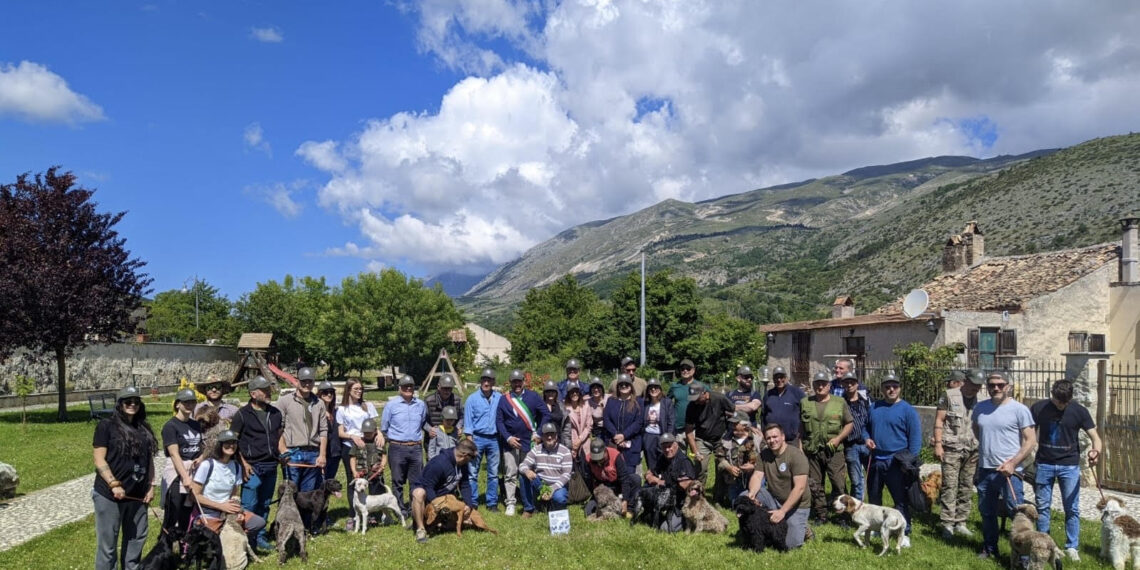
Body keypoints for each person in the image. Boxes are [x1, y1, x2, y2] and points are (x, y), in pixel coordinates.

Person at [1031, 378, 1102, 561]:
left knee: (1072, 508)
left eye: (1065, 402)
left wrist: (1096, 451)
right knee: (1043, 508)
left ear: (1070, 399)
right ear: (1052, 395)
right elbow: (1028, 434)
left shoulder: (1079, 411)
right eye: (1058, 401)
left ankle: (1072, 547)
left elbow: (1096, 437)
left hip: (1069, 466)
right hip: (1044, 464)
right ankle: (1044, 545)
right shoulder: (1039, 408)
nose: (1061, 405)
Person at [972, 371, 1037, 560]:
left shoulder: (1020, 410)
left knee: (1017, 513)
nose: (996, 388)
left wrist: (1013, 463)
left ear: (1008, 386)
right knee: (987, 512)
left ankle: (1024, 555)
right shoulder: (980, 408)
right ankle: (990, 548)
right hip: (985, 470)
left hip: (1011, 472)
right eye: (992, 385)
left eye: (1000, 385)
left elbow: (1030, 440)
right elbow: (977, 429)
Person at [92, 386, 157, 570]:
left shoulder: (143, 427)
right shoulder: (106, 426)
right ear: (120, 404)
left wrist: (151, 485)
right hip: (110, 495)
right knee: (108, 546)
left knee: (136, 540)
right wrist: (113, 484)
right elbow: (98, 458)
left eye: (136, 401)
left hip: (137, 495)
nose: (132, 405)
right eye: (128, 401)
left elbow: (149, 459)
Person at [866, 373, 921, 548]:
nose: (891, 389)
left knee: (900, 499)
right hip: (876, 459)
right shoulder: (874, 407)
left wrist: (909, 463)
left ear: (899, 388)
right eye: (887, 386)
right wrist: (867, 439)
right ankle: (876, 526)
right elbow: (864, 429)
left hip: (896, 461)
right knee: (874, 497)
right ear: (882, 388)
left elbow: (915, 441)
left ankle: (904, 531)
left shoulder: (907, 410)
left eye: (894, 386)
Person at [230, 375, 284, 551]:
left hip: (271, 464)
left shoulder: (275, 413)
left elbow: (279, 436)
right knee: (249, 504)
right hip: (252, 466)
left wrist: (283, 453)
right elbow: (233, 442)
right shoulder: (242, 415)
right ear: (253, 394)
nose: (269, 393)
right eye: (265, 390)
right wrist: (243, 464)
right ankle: (244, 538)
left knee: (266, 502)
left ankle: (260, 537)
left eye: (269, 389)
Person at [190, 429, 266, 546]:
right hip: (209, 513)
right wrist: (220, 506)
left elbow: (234, 494)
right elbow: (195, 495)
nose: (231, 446)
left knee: (258, 522)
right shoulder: (207, 465)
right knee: (211, 541)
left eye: (234, 443)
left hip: (228, 512)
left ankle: (234, 542)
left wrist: (237, 511)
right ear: (219, 445)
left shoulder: (236, 466)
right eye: (227, 443)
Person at [932, 370, 981, 538]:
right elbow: (939, 420)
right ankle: (947, 523)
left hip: (972, 449)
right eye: (973, 384)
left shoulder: (981, 400)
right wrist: (938, 445)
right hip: (951, 448)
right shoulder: (949, 395)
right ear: (965, 381)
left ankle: (961, 521)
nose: (975, 388)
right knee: (950, 486)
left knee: (966, 486)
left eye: (978, 386)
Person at [746, 423, 810, 550]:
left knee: (790, 544)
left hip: (797, 504)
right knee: (744, 497)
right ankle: (757, 531)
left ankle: (806, 530)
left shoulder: (796, 455)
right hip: (774, 499)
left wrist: (782, 511)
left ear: (783, 437)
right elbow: (757, 476)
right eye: (768, 438)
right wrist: (752, 493)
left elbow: (800, 488)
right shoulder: (764, 454)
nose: (772, 440)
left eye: (775, 437)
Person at [800, 371, 853, 524]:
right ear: (813, 385)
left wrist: (838, 439)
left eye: (824, 383)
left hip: (834, 451)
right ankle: (821, 515)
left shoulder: (840, 402)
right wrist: (800, 447)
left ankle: (843, 515)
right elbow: (801, 427)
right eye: (817, 383)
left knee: (838, 483)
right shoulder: (805, 402)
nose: (820, 386)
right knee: (815, 484)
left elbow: (849, 423)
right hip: (812, 450)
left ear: (829, 386)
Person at [275, 367, 328, 499]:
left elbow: (323, 431)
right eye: (304, 381)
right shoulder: (285, 401)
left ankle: (305, 520)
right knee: (290, 492)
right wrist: (283, 450)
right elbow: (277, 428)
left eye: (310, 381)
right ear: (297, 381)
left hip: (313, 453)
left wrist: (322, 454)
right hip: (293, 452)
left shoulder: (319, 403)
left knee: (307, 495)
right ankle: (288, 519)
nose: (307, 384)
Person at [381, 374, 430, 518]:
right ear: (399, 388)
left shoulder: (421, 405)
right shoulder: (391, 405)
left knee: (415, 480)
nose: (408, 389)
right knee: (397, 480)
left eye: (411, 386)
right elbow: (384, 427)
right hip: (397, 447)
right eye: (405, 386)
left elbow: (423, 423)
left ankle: (413, 508)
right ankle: (399, 508)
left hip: (415, 447)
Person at [496, 369, 543, 516]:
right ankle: (510, 502)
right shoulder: (504, 399)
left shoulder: (533, 396)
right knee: (510, 473)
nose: (517, 384)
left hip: (528, 442)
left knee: (527, 473)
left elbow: (545, 415)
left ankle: (529, 500)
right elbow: (499, 421)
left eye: (519, 381)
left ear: (524, 382)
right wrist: (508, 437)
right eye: (514, 382)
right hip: (510, 443)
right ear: (510, 383)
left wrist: (539, 432)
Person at [412, 439, 478, 543]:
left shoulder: (463, 464)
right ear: (464, 455)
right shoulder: (439, 463)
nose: (472, 460)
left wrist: (468, 505)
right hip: (430, 499)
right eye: (472, 457)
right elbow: (428, 487)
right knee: (419, 493)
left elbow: (464, 485)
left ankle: (441, 523)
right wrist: (438, 506)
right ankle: (420, 528)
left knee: (469, 522)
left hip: (446, 499)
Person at [160, 388, 203, 535]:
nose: (189, 405)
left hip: (194, 469)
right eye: (185, 402)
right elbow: (174, 454)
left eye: (192, 402)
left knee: (187, 512)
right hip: (177, 473)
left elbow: (201, 446)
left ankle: (183, 547)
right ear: (177, 404)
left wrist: (202, 458)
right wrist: (185, 477)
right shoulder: (170, 426)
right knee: (173, 514)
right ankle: (165, 548)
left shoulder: (195, 424)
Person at [463, 367, 503, 511]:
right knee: (473, 472)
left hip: (494, 439)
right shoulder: (472, 399)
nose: (486, 382)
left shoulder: (499, 398)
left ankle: (491, 502)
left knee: (493, 473)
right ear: (480, 381)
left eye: (489, 380)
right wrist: (470, 441)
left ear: (493, 382)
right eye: (484, 380)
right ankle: (472, 501)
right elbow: (468, 422)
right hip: (477, 438)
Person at [685, 381, 735, 487]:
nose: (696, 402)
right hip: (702, 439)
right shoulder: (691, 406)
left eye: (698, 398)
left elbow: (734, 412)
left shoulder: (719, 398)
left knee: (721, 467)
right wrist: (695, 451)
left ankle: (718, 498)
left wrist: (731, 432)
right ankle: (698, 496)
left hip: (720, 438)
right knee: (700, 469)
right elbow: (689, 431)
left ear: (704, 393)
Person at [644, 433, 696, 532]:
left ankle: (687, 521)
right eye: (664, 447)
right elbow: (649, 473)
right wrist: (650, 476)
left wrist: (659, 481)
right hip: (666, 497)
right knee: (646, 491)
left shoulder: (683, 461)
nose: (667, 450)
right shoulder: (663, 458)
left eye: (669, 446)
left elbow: (686, 485)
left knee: (665, 528)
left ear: (676, 445)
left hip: (681, 503)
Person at [519, 422, 574, 516]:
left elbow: (566, 475)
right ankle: (528, 509)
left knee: (559, 499)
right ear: (542, 437)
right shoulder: (536, 449)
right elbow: (522, 465)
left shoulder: (565, 451)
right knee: (523, 477)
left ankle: (550, 506)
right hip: (540, 484)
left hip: (557, 486)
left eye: (552, 434)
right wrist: (527, 471)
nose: (549, 437)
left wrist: (552, 489)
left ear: (556, 436)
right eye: (546, 435)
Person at [337, 378, 383, 490]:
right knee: (354, 479)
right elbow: (340, 432)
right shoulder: (342, 409)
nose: (359, 391)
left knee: (374, 476)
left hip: (369, 445)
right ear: (348, 390)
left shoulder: (367, 406)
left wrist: (380, 434)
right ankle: (355, 507)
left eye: (361, 389)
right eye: (356, 389)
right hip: (351, 446)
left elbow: (374, 425)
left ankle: (376, 505)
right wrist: (352, 436)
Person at [581, 438, 639, 518]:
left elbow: (624, 479)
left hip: (617, 485)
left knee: (635, 479)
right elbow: (588, 480)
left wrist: (625, 500)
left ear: (605, 451)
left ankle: (629, 509)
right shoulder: (588, 460)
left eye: (600, 457)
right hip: (601, 489)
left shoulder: (616, 455)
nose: (599, 460)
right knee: (588, 512)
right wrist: (595, 495)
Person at [714, 413, 759, 507]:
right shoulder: (725, 437)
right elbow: (719, 457)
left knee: (753, 504)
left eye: (735, 423)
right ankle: (722, 496)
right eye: (731, 423)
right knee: (736, 505)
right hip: (733, 478)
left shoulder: (757, 437)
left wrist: (753, 466)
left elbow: (766, 459)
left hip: (754, 476)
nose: (732, 426)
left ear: (745, 425)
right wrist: (729, 468)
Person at [840, 371, 871, 501]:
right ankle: (856, 508)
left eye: (852, 382)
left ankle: (871, 505)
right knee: (856, 480)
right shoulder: (840, 403)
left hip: (866, 444)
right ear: (843, 385)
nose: (849, 385)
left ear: (857, 384)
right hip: (851, 446)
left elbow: (871, 421)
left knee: (871, 478)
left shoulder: (866, 401)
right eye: (846, 383)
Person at [604, 374, 644, 471]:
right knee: (613, 473)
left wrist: (624, 435)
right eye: (621, 385)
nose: (624, 386)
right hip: (614, 443)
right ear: (617, 387)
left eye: (627, 384)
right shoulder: (611, 401)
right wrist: (616, 434)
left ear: (631, 386)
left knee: (629, 476)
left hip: (631, 445)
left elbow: (638, 422)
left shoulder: (638, 401)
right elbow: (606, 419)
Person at [760, 366, 805, 444]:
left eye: (781, 377)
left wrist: (801, 433)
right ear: (773, 379)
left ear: (786, 378)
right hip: (773, 441)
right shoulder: (768, 395)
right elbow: (763, 416)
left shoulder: (796, 392)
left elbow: (805, 412)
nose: (779, 380)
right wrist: (764, 432)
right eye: (776, 377)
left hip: (792, 440)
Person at [639, 378, 674, 471]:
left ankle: (664, 481)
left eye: (656, 387)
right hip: (648, 436)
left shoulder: (667, 402)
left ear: (660, 389)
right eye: (651, 388)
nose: (653, 389)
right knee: (651, 463)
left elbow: (671, 422)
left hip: (662, 435)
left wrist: (669, 438)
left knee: (665, 460)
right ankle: (653, 481)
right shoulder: (644, 403)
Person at [348, 419, 387, 495]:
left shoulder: (379, 442)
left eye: (369, 433)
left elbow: (384, 456)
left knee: (378, 495)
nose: (367, 435)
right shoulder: (358, 442)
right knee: (359, 496)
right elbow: (352, 458)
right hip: (361, 474)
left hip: (375, 474)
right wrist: (354, 471)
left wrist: (382, 466)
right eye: (365, 433)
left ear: (375, 431)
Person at [317, 380, 342, 485]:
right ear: (319, 394)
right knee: (320, 484)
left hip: (335, 453)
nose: (329, 394)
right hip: (322, 453)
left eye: (331, 392)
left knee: (329, 483)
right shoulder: (316, 412)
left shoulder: (336, 412)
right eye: (325, 392)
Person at [539, 379, 572, 448]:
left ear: (556, 393)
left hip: (558, 441)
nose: (550, 393)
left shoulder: (561, 406)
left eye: (553, 391)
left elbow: (566, 427)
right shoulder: (539, 406)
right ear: (544, 393)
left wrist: (568, 444)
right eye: (548, 391)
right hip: (542, 442)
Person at [668, 359, 698, 434]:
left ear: (693, 370)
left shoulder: (700, 386)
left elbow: (712, 400)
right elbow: (666, 402)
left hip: (696, 427)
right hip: (679, 428)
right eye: (682, 369)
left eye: (688, 368)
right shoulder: (675, 386)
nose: (685, 371)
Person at [564, 384, 592, 459]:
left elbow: (589, 426)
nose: (574, 394)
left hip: (585, 441)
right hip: (572, 443)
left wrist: (580, 439)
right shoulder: (565, 408)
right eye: (572, 392)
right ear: (568, 394)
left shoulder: (586, 406)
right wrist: (574, 443)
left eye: (576, 392)